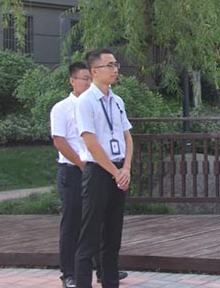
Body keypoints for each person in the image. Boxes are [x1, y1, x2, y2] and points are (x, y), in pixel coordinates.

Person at [74, 48, 133, 288]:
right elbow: (90, 142)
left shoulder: (117, 101)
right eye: (109, 65)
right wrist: (114, 172)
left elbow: (127, 136)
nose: (115, 69)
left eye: (116, 64)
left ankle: (110, 282)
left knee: (113, 235)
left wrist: (126, 168)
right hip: (99, 171)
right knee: (89, 235)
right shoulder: (86, 101)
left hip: (119, 171)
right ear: (94, 71)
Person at [51, 61, 92, 288]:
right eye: (84, 79)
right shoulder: (61, 108)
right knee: (72, 222)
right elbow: (60, 141)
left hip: (94, 170)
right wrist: (82, 164)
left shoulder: (94, 106)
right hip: (72, 171)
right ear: (72, 81)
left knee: (96, 220)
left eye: (90, 79)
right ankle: (68, 273)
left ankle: (101, 268)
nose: (88, 83)